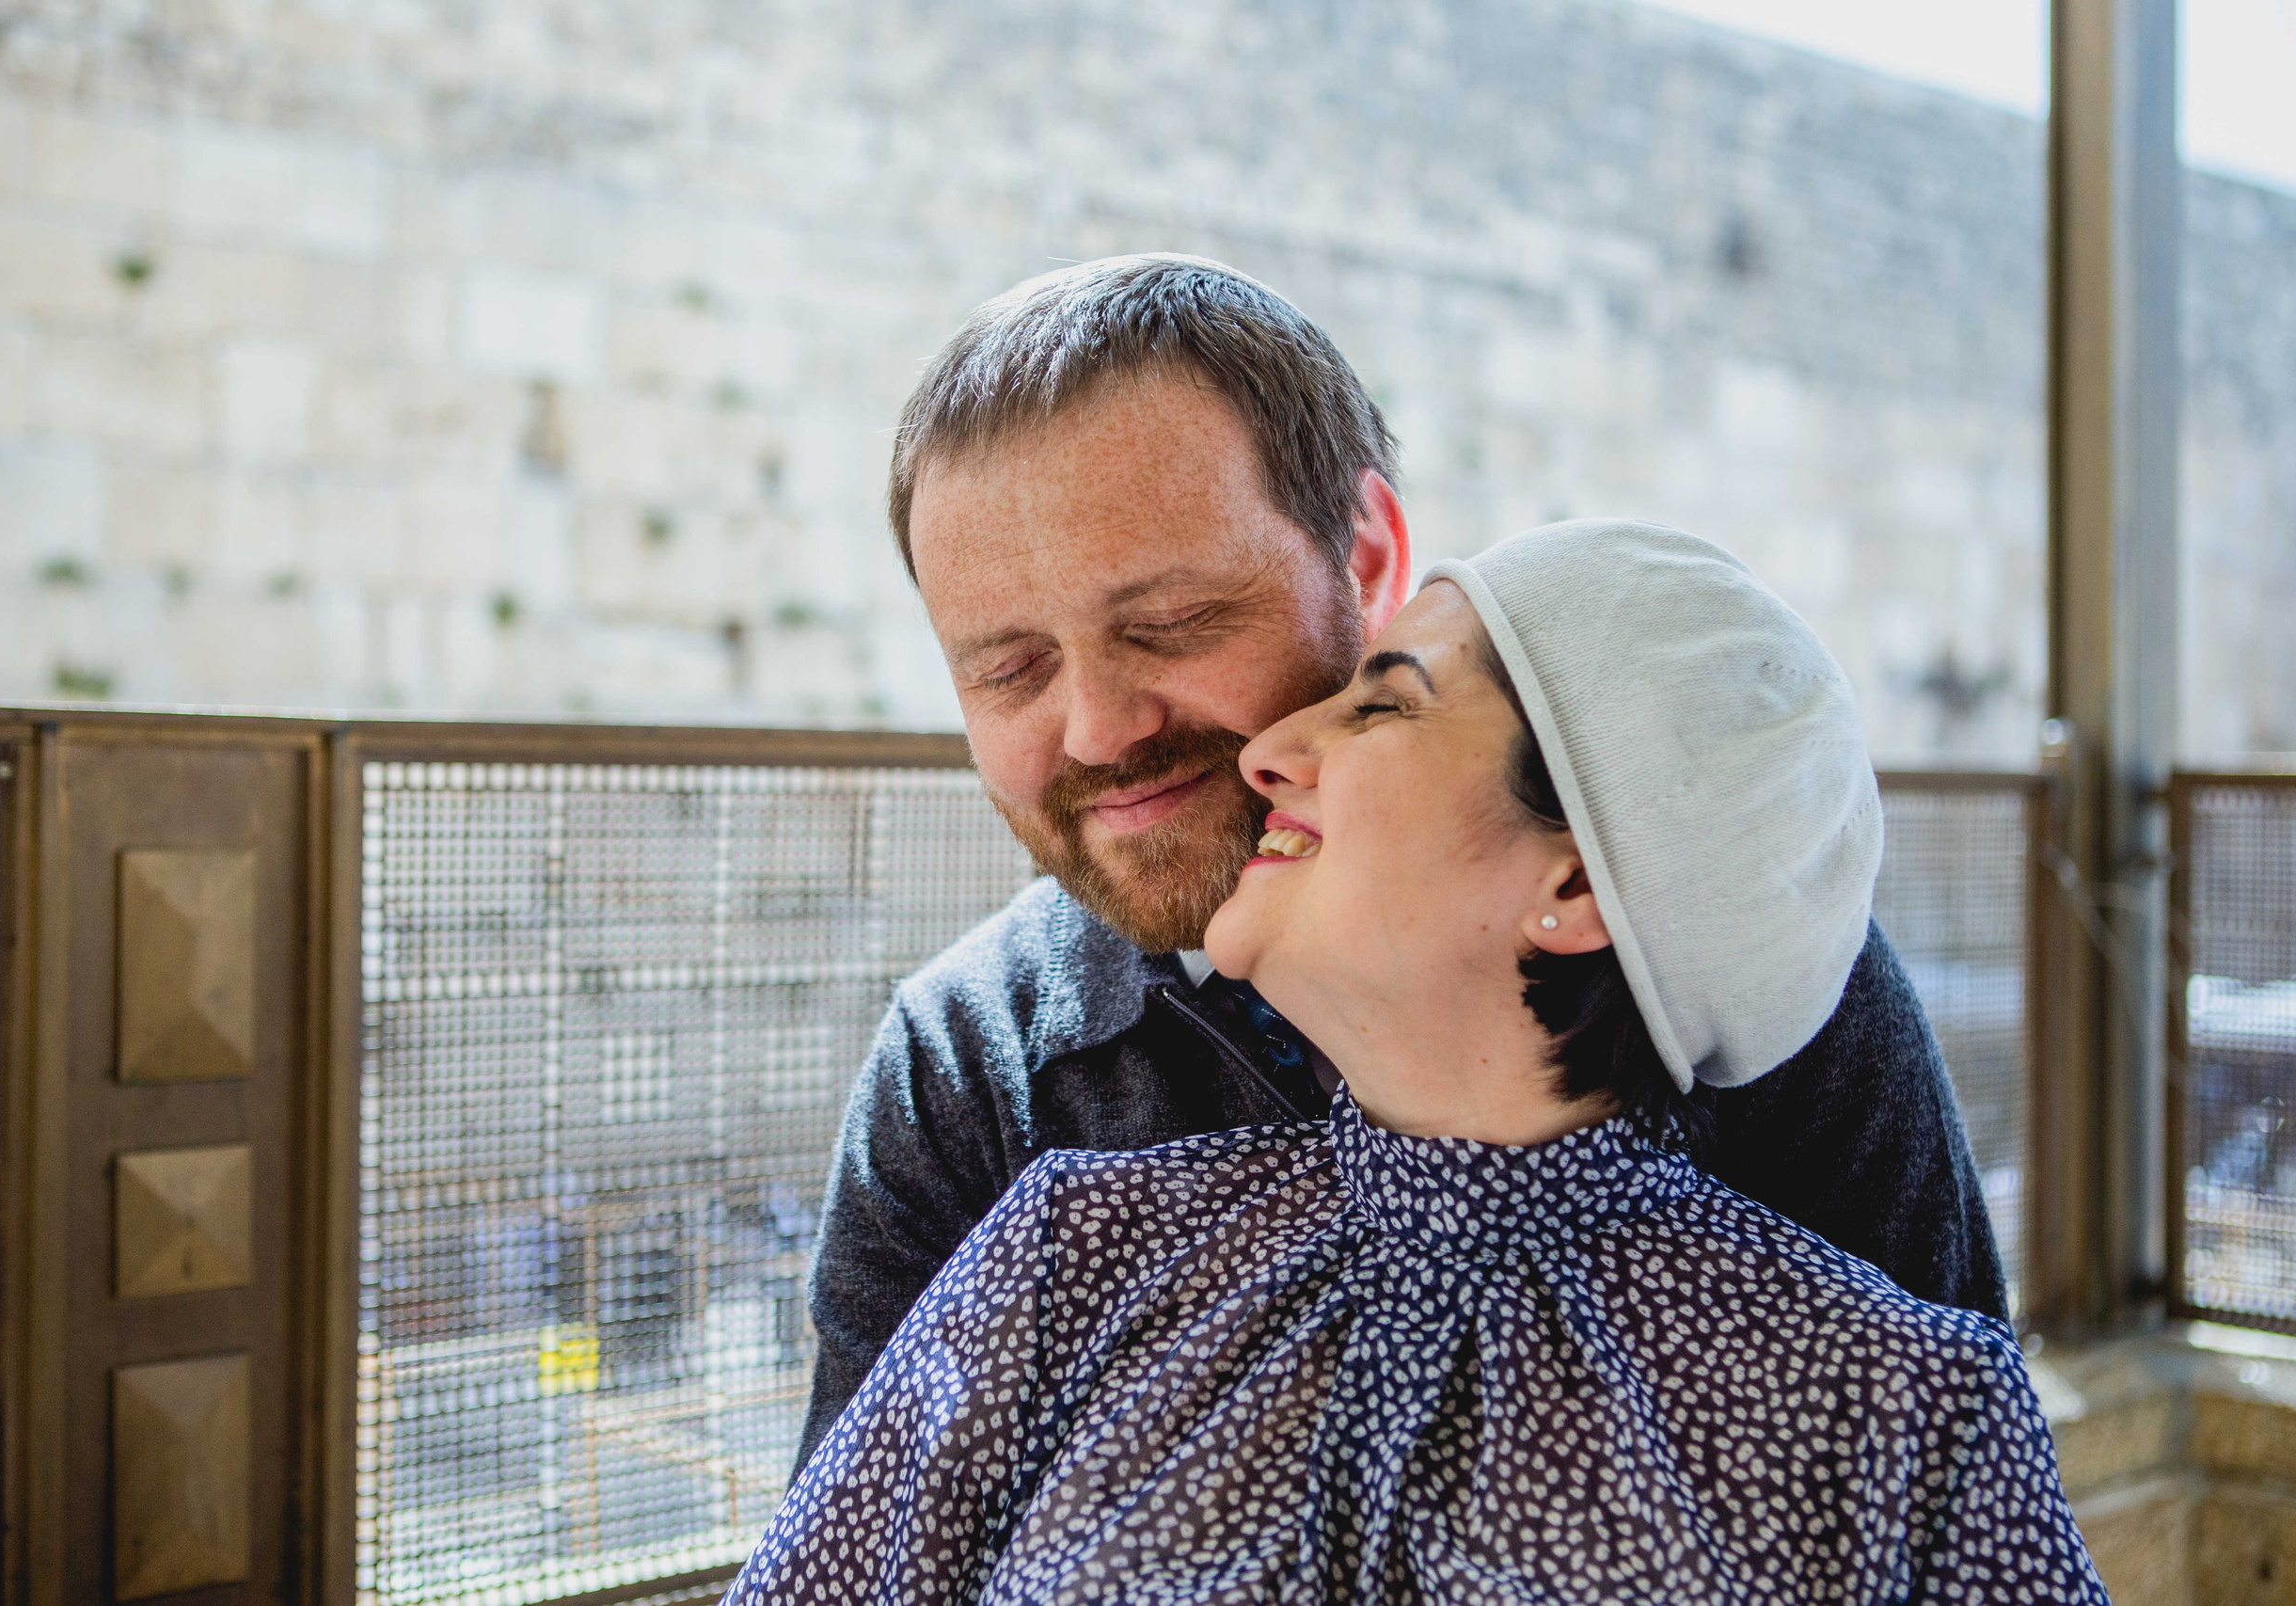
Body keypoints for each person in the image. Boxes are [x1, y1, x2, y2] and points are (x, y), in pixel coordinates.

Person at [734, 521, 2105, 1604]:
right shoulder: (1063, 1255)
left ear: (1574, 879)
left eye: (1381, 707)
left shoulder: (1909, 1417)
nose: (1270, 750)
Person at [798, 253, 2005, 1469]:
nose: (1100, 728)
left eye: (1172, 625)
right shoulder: (975, 1081)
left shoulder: (1737, 977)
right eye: (1007, 670)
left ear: (1367, 556)